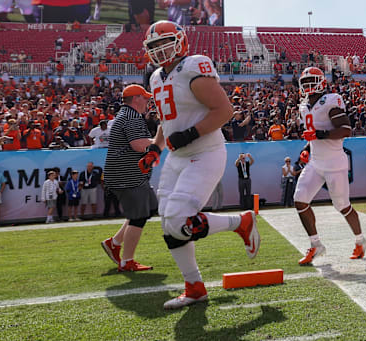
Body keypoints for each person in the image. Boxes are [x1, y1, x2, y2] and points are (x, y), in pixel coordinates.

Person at [143, 20, 259, 309]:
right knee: (169, 224)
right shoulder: (156, 77)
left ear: (181, 41)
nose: (160, 50)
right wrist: (154, 150)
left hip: (204, 151)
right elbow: (165, 121)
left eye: (165, 42)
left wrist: (192, 133)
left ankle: (241, 222)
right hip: (176, 157)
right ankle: (194, 287)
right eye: (154, 45)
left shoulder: (194, 66)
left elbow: (225, 110)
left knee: (180, 219)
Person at [293, 66, 366, 265]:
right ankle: (315, 244)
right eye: (305, 83)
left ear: (322, 83)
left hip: (335, 163)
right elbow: (312, 134)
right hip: (315, 162)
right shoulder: (303, 106)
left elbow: (345, 129)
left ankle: (360, 241)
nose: (308, 86)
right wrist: (307, 147)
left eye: (311, 82)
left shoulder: (331, 100)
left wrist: (319, 135)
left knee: (342, 206)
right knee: (300, 200)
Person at [102, 84, 157, 273]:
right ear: (136, 99)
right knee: (139, 215)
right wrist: (161, 141)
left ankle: (115, 243)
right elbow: (139, 145)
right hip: (127, 175)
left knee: (148, 207)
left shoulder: (126, 115)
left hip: (127, 174)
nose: (148, 102)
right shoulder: (131, 117)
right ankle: (127, 261)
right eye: (145, 98)